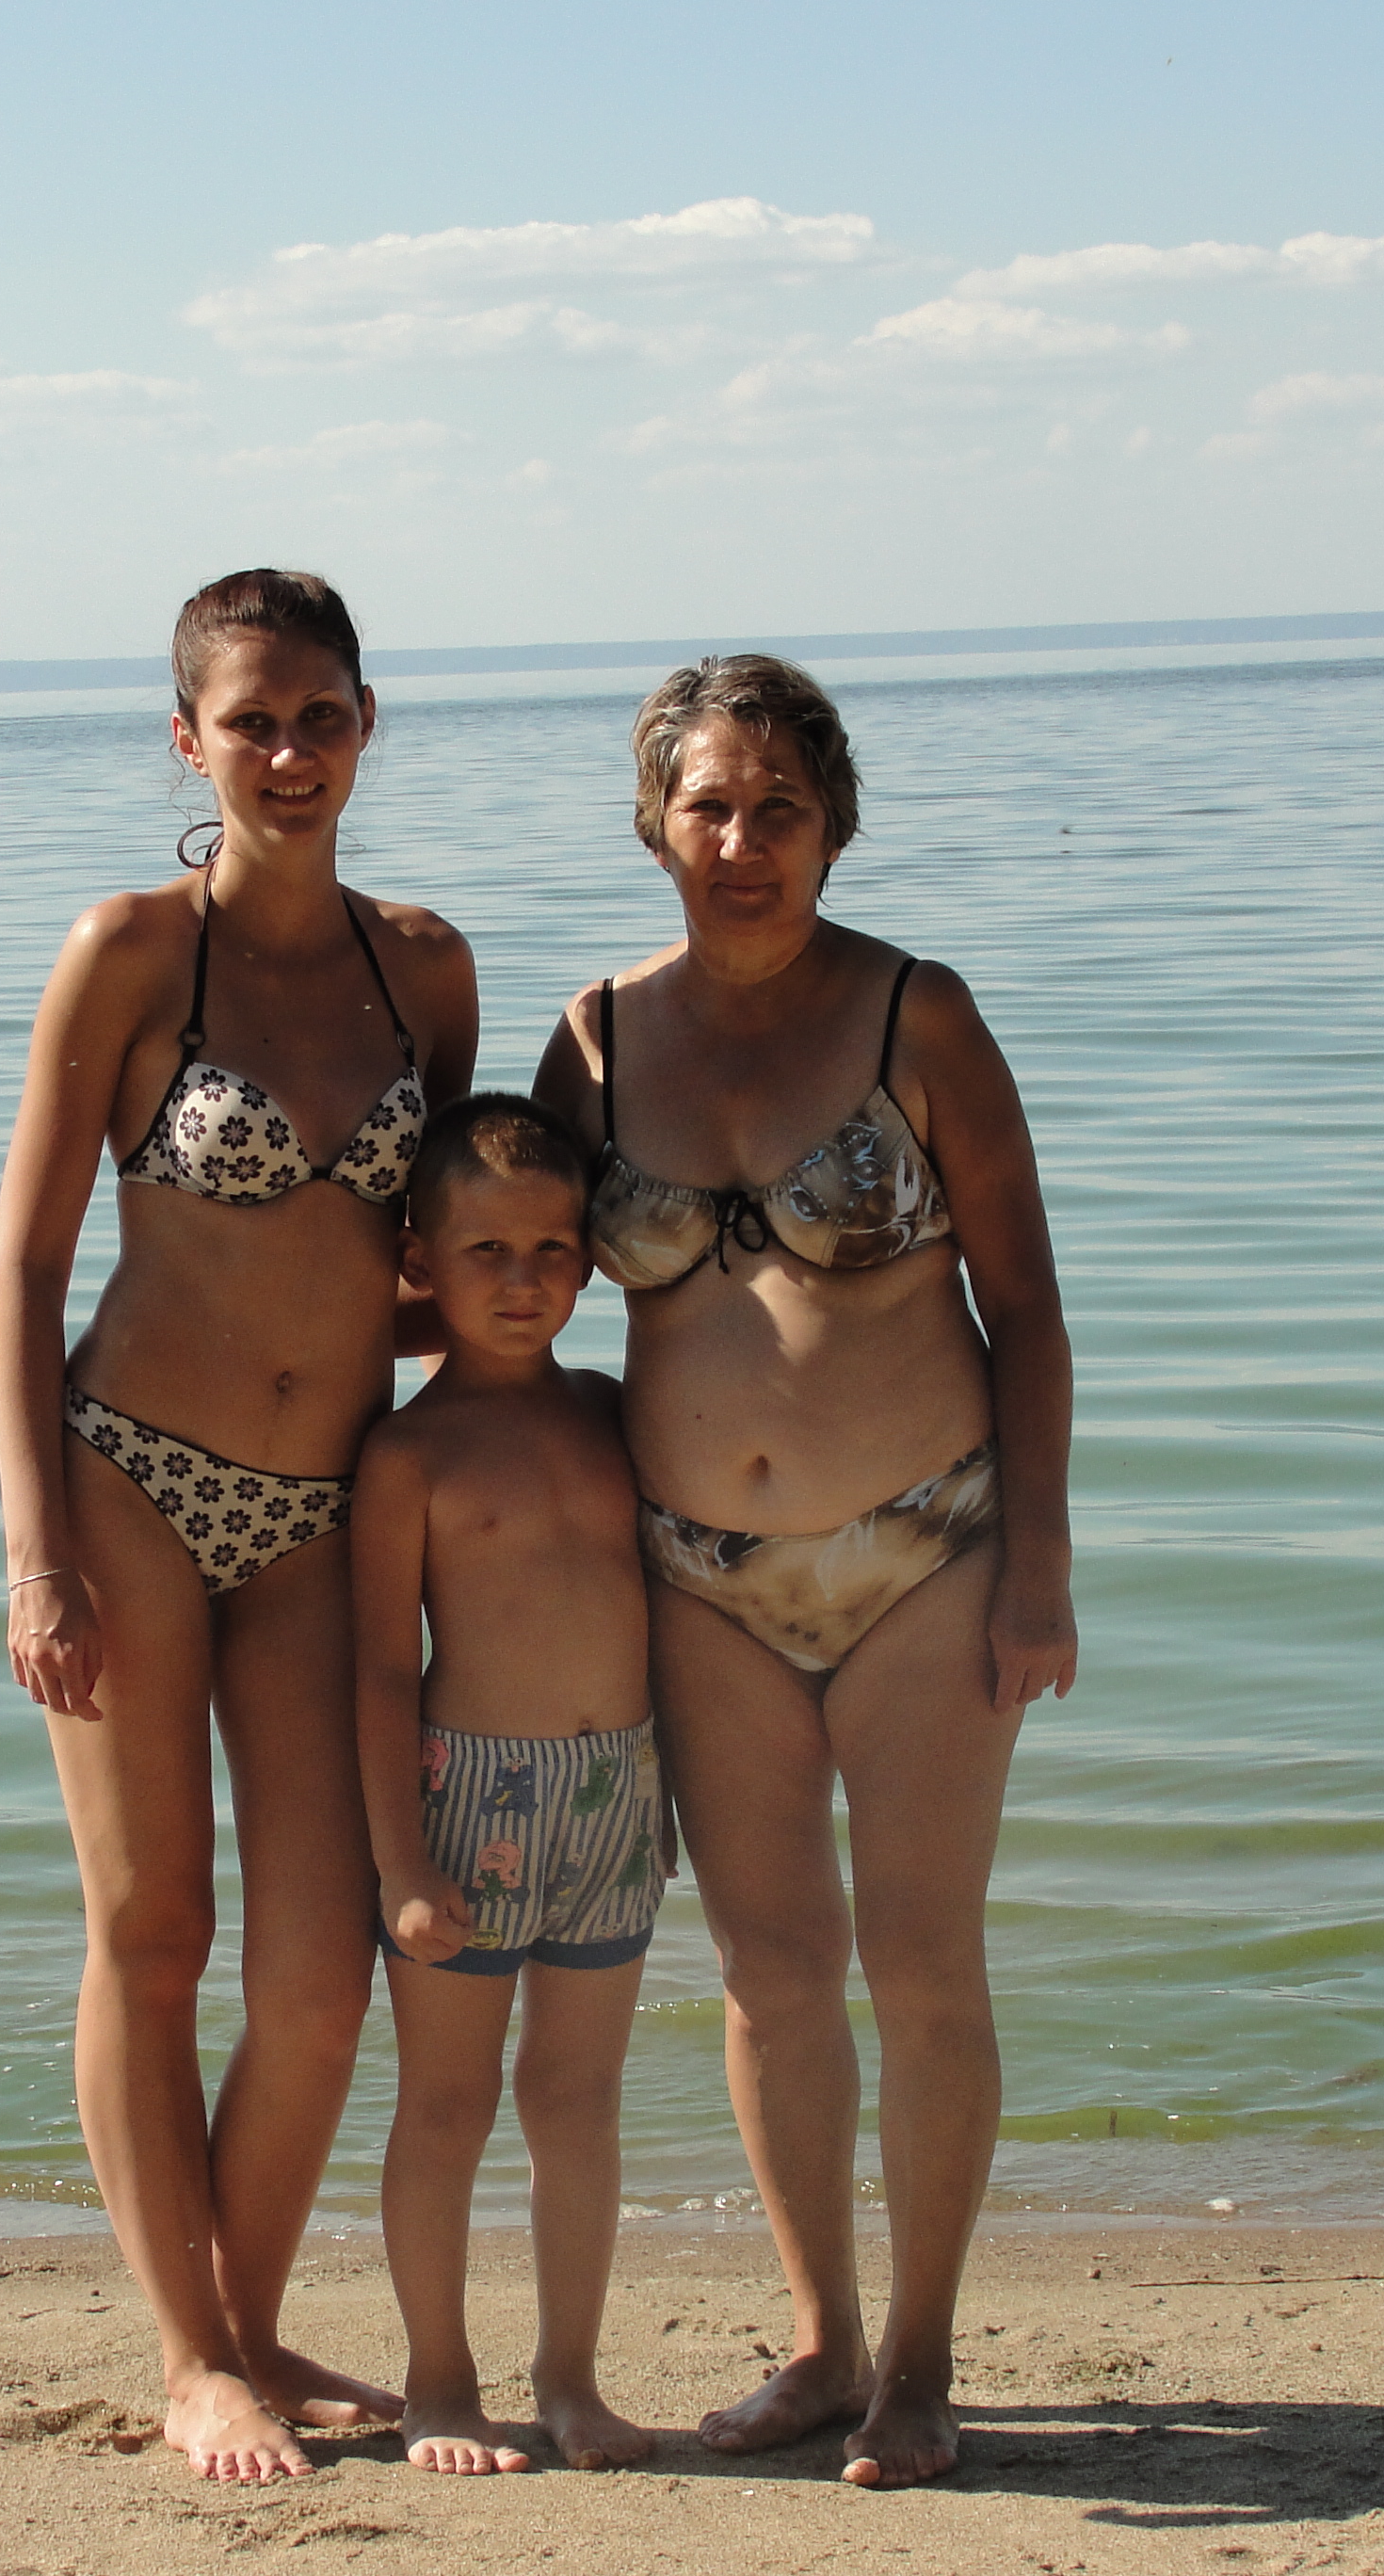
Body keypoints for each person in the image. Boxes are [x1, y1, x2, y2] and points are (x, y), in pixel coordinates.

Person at [532, 654, 1076, 2489]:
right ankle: (825, 2343)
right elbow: (503, 1278)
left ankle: (922, 2362)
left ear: (834, 823)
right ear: (655, 824)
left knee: (921, 1963)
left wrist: (1039, 1566)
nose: (743, 839)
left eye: (779, 806)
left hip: (927, 1551)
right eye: (710, 804)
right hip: (696, 1576)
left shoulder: (920, 1015)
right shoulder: (597, 1038)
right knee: (770, 1970)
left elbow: (1028, 1304)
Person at [0, 570, 479, 2483]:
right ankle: (193, 2358)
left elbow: (426, 1266)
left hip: (326, 1508)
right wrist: (35, 1553)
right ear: (185, 740)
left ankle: (256, 2323)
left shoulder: (423, 969)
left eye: (321, 716)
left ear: (367, 727)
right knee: (152, 1928)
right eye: (251, 720)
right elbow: (28, 1269)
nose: (289, 753)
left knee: (322, 1973)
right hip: (130, 1478)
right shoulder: (131, 952)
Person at [351, 1094, 665, 2478]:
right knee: (447, 2105)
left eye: (551, 1248)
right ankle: (439, 2382)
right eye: (486, 1251)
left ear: (590, 1257)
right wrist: (402, 1866)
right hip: (465, 1800)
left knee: (578, 2100)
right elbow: (378, 1671)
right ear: (420, 1260)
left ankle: (572, 2379)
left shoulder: (612, 1413)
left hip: (617, 1795)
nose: (523, 1278)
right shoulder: (408, 1455)